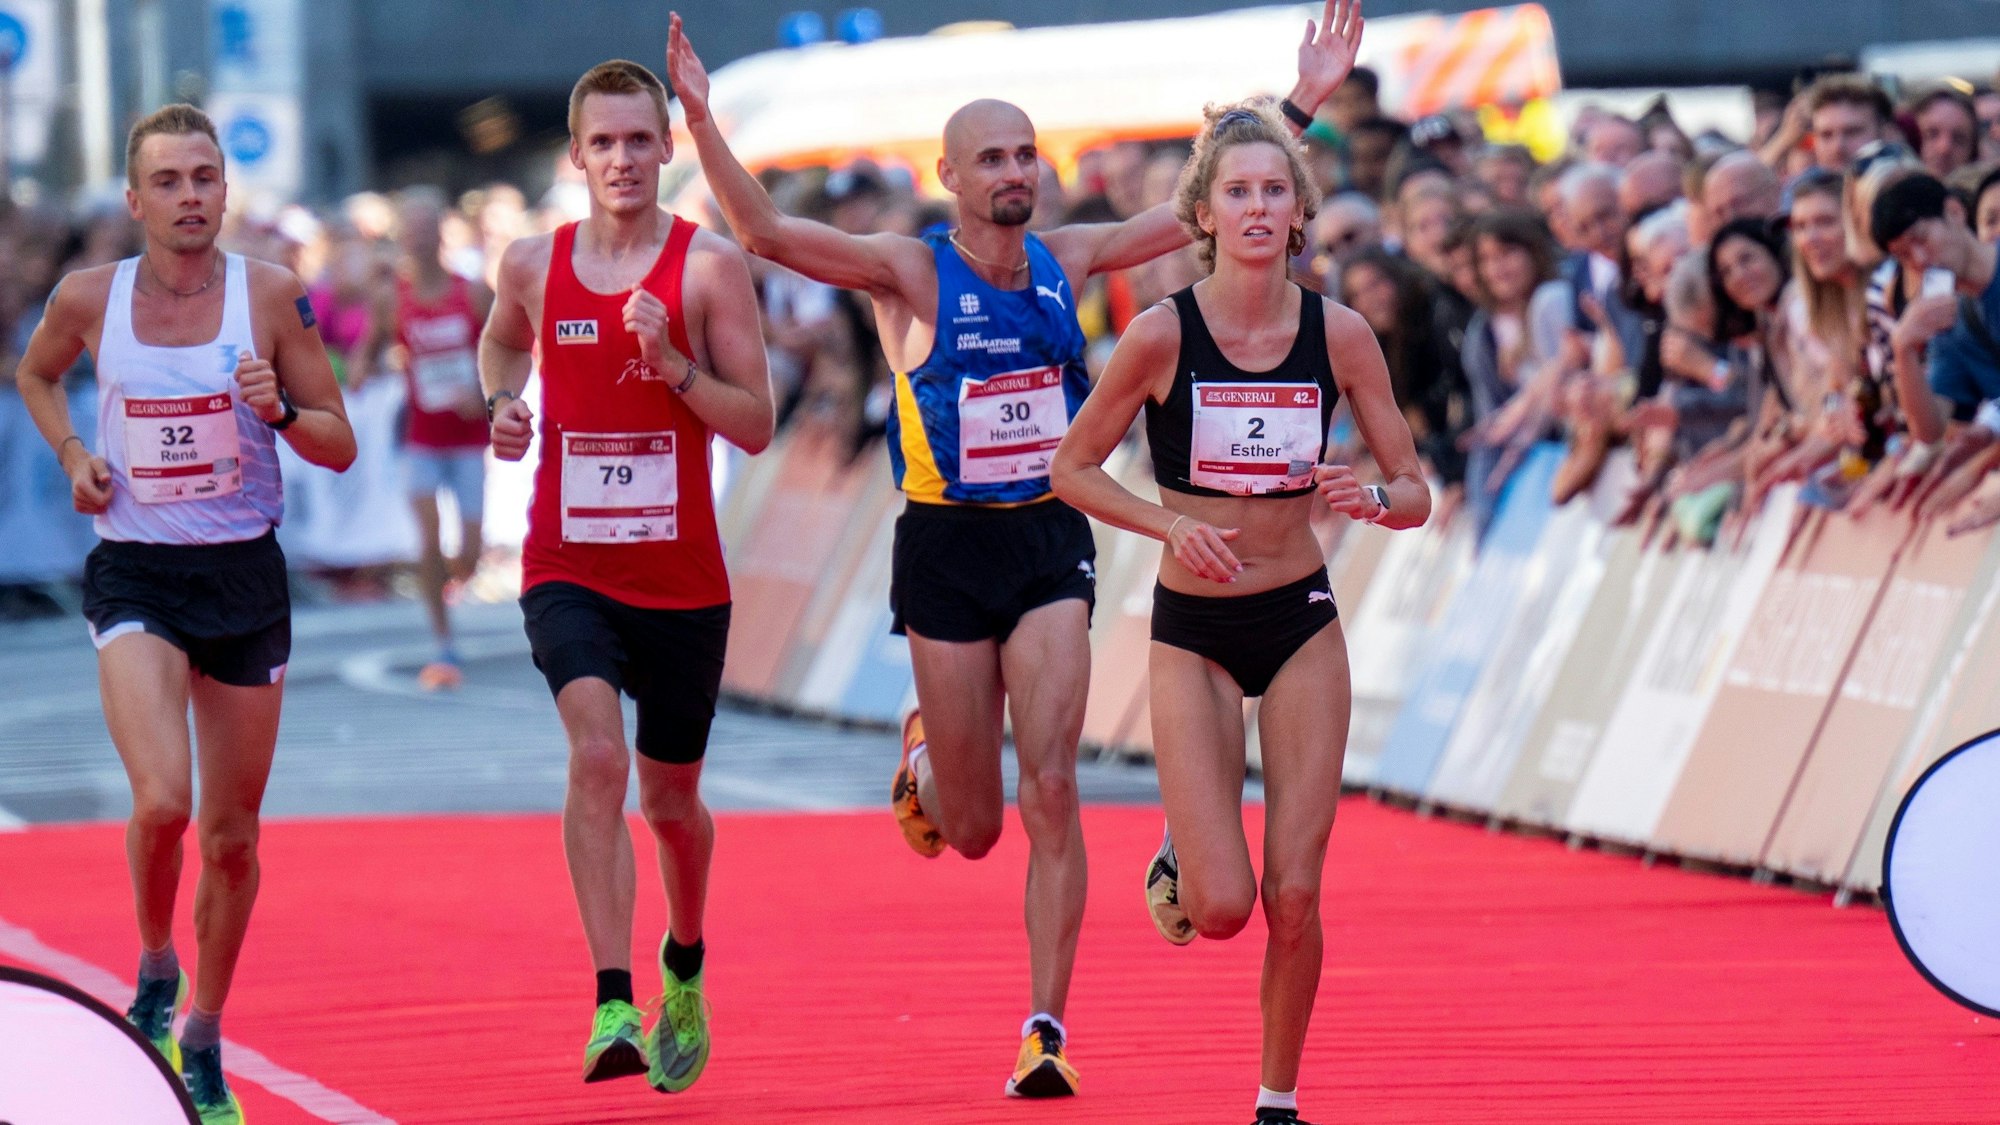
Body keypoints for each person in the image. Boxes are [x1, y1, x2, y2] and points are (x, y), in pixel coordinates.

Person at [667, 1, 1363, 1099]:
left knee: (1050, 786)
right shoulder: (906, 269)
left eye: (1024, 154)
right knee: (976, 825)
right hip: (943, 545)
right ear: (948, 175)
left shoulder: (1066, 257)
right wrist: (702, 124)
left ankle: (1045, 1027)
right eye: (989, 157)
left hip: (1047, 542)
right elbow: (765, 236)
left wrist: (1302, 101)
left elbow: (1201, 212)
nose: (1013, 171)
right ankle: (928, 764)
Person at [1050, 99, 1429, 1125]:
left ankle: (1275, 1098)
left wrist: (1370, 498)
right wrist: (1166, 527)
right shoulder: (1159, 332)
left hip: (1299, 620)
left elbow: (1413, 492)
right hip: (1194, 631)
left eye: (1273, 191)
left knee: (1293, 895)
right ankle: (1185, 843)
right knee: (1219, 908)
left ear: (1296, 213)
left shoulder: (1338, 333)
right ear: (1203, 214)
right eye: (1237, 192)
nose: (1257, 208)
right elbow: (1071, 467)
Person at [12, 104, 356, 1124]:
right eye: (168, 181)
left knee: (232, 836)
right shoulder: (88, 296)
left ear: (225, 189)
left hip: (243, 578)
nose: (190, 196)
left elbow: (337, 441)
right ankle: (155, 957)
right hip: (137, 571)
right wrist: (75, 456)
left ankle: (202, 1032)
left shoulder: (272, 298)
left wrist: (281, 411)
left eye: (204, 177)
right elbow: (35, 373)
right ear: (134, 199)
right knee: (163, 800)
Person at [478, 59, 775, 1095]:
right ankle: (612, 998)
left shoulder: (706, 270)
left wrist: (675, 366)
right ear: (575, 155)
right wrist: (501, 406)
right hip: (567, 566)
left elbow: (758, 423)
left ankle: (681, 958)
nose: (621, 160)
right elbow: (499, 345)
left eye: (638, 140)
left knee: (670, 800)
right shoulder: (530, 262)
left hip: (684, 580)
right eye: (601, 143)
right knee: (597, 760)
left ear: (665, 147)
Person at [355, 187, 493, 687]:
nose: (415, 238)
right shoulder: (394, 298)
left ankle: (449, 582)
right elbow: (365, 353)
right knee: (428, 539)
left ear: (440, 233)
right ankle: (443, 639)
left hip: (470, 439)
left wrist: (485, 394)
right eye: (407, 230)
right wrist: (360, 370)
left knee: (471, 555)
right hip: (421, 439)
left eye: (424, 228)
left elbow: (508, 351)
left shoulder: (473, 292)